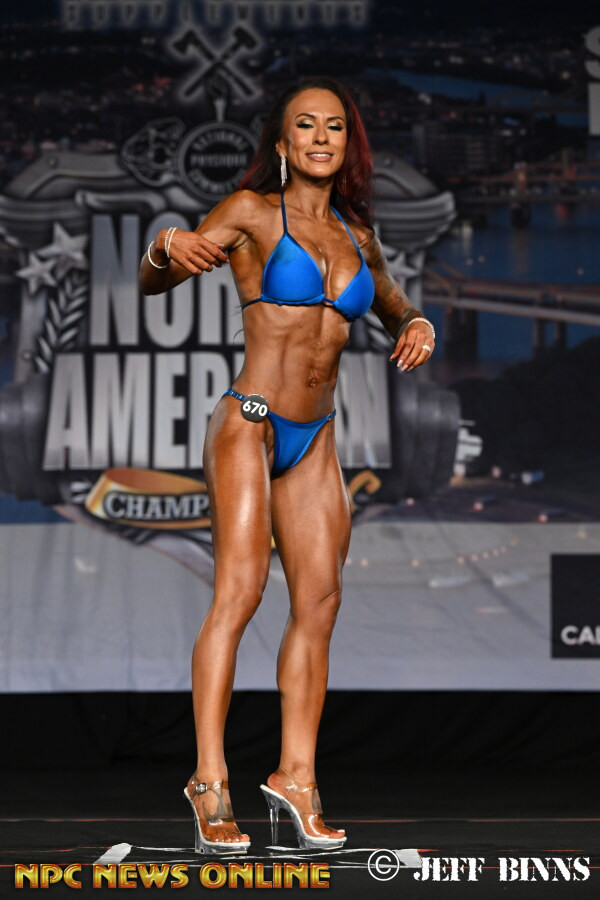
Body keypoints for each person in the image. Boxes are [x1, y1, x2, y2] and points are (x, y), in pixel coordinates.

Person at [138, 75, 435, 855]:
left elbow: (394, 304)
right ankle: (209, 781)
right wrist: (165, 246)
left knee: (322, 600)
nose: (321, 137)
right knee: (240, 591)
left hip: (317, 436)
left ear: (347, 143)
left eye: (334, 126)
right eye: (305, 125)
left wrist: (418, 324)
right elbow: (155, 281)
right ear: (281, 142)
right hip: (252, 423)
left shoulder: (355, 234)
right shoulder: (249, 213)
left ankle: (295, 778)